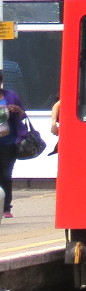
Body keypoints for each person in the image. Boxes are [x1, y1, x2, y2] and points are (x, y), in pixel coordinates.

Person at [0, 70, 28, 218]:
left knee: (5, 175)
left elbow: (24, 115)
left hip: (8, 142)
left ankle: (6, 207)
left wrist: (18, 110)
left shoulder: (11, 95)